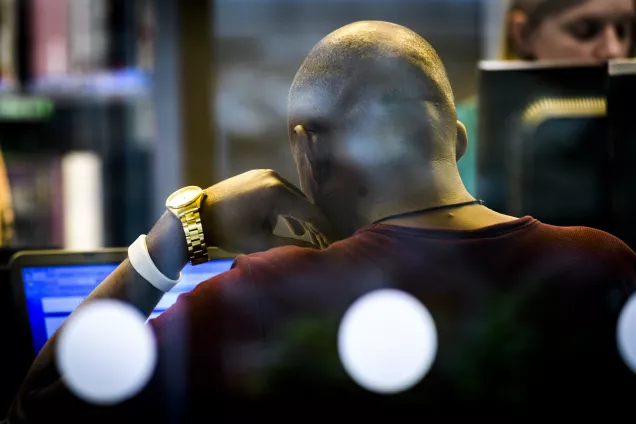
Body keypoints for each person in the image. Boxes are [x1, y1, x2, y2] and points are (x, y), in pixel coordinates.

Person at [6, 21, 636, 423]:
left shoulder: (262, 298)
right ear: (459, 140)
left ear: (308, 150)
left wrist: (180, 228)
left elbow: (41, 408)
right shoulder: (603, 263)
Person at [457, 0, 635, 195]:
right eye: (585, 29)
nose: (613, 50)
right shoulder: (452, 135)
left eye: (622, 30)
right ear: (522, 35)